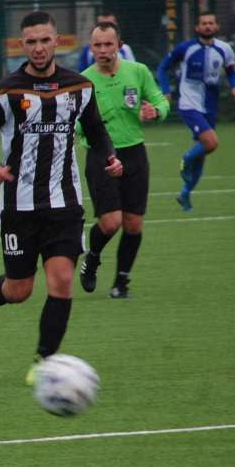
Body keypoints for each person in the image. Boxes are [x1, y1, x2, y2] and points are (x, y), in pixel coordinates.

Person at [0, 11, 123, 385]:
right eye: (31, 41)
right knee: (19, 290)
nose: (39, 47)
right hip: (18, 207)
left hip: (64, 203)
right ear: (23, 45)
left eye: (45, 40)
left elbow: (97, 134)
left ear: (57, 41)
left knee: (62, 281)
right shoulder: (7, 91)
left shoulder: (79, 87)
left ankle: (43, 361)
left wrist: (111, 157)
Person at [77, 21, 170, 299]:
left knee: (133, 224)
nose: (103, 50)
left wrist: (156, 111)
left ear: (119, 45)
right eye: (98, 45)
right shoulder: (83, 81)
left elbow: (161, 101)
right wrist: (88, 131)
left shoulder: (138, 72)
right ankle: (92, 258)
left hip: (134, 154)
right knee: (111, 222)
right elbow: (75, 124)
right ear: (91, 48)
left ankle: (120, 283)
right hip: (100, 155)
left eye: (109, 44)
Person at [156, 11, 235, 211]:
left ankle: (185, 193)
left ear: (216, 27)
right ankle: (186, 160)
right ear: (197, 28)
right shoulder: (185, 48)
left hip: (210, 107)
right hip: (190, 104)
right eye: (203, 23)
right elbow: (162, 67)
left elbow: (231, 71)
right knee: (211, 143)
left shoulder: (224, 49)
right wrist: (166, 91)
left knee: (203, 152)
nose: (207, 26)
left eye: (210, 23)